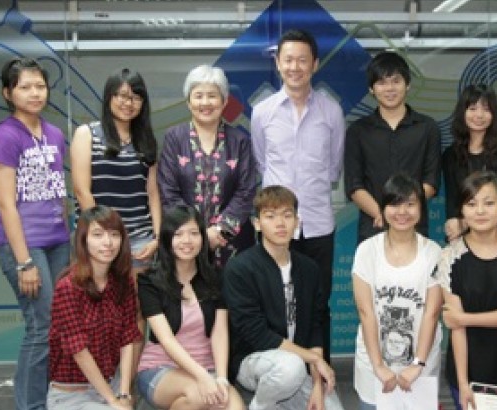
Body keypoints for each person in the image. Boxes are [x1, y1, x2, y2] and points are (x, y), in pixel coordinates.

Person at [250, 29, 345, 364]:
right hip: (277, 226)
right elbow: (261, 163)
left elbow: (334, 168)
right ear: (277, 63)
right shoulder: (262, 112)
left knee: (317, 304)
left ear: (315, 64)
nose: (295, 67)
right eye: (288, 59)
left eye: (302, 60)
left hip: (317, 224)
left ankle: (320, 376)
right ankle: (281, 374)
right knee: (274, 302)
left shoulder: (332, 112)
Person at [0, 57, 71, 410]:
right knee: (41, 327)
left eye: (40, 86)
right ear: (8, 93)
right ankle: (31, 405)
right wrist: (24, 262)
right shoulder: (5, 136)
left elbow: (57, 189)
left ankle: (47, 398)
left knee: (57, 326)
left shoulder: (54, 133)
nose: (35, 93)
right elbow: (7, 204)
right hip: (24, 246)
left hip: (58, 242)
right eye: (25, 87)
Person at [222, 186, 343, 410]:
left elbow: (316, 327)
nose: (280, 223)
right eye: (270, 216)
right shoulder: (240, 268)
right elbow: (256, 334)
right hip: (253, 361)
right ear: (257, 223)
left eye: (287, 215)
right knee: (290, 367)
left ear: (297, 221)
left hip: (298, 363)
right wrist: (313, 359)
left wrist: (317, 383)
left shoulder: (309, 269)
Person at [438, 171, 497, 410]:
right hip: (468, 368)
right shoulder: (450, 255)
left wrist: (463, 318)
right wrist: (463, 383)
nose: (480, 211)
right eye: (471, 204)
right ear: (461, 210)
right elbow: (456, 329)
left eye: (489, 203)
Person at [135, 205, 244, 410]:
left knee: (235, 406)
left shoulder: (215, 277)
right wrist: (202, 377)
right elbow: (166, 340)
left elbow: (220, 332)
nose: (187, 241)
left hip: (208, 366)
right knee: (198, 395)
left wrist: (221, 377)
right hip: (160, 368)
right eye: (178, 234)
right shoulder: (150, 282)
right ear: (167, 240)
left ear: (203, 238)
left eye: (194, 233)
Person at [351, 173, 443, 409]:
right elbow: (365, 311)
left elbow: (432, 314)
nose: (402, 212)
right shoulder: (367, 251)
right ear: (382, 209)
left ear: (421, 208)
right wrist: (379, 365)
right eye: (394, 204)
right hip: (374, 363)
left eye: (410, 204)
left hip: (419, 365)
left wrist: (418, 363)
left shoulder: (433, 252)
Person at [158, 64, 256, 270]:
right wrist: (196, 234)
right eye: (198, 95)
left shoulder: (240, 140)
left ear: (224, 101)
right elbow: (168, 192)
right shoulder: (174, 138)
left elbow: (246, 191)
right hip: (185, 244)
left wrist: (219, 231)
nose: (205, 102)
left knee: (233, 300)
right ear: (188, 101)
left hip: (233, 244)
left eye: (212, 95)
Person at [48, 206, 141, 409]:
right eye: (98, 235)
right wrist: (112, 401)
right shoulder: (68, 287)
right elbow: (79, 351)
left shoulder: (123, 282)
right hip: (72, 395)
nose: (108, 243)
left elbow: (128, 337)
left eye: (114, 235)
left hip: (114, 384)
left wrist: (124, 394)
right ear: (83, 240)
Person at [344, 51, 441, 243]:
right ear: (372, 89)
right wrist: (383, 213)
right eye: (381, 82)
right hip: (373, 225)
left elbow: (431, 181)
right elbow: (354, 185)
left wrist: (404, 212)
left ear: (408, 84)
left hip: (415, 226)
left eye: (396, 81)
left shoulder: (428, 128)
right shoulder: (358, 131)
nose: (389, 88)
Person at [71, 68, 160, 270]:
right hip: (97, 240)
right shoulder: (87, 134)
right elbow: (81, 190)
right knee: (95, 299)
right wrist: (105, 236)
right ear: (109, 97)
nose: (128, 103)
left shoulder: (146, 141)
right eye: (122, 96)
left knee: (136, 301)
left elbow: (153, 193)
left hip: (139, 242)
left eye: (136, 97)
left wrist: (157, 237)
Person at [442, 84, 497, 241]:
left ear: (494, 114)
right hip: (464, 233)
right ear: (462, 112)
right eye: (472, 108)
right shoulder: (451, 154)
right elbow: (452, 200)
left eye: (486, 109)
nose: (479, 115)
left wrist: (468, 222)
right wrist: (454, 222)